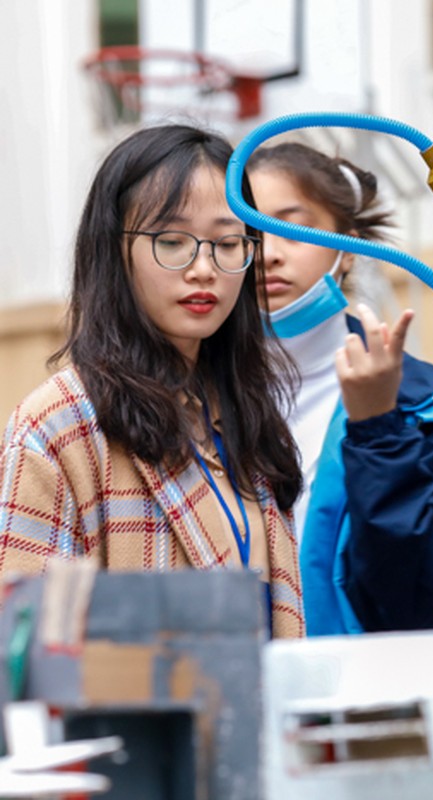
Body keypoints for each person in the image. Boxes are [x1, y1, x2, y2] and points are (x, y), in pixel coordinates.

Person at [0, 125, 304, 637]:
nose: (204, 268)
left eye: (229, 243)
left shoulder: (248, 417)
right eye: (171, 241)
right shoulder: (59, 425)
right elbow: (18, 646)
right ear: (114, 251)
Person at [247, 142, 433, 634]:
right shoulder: (187, 395)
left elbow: (427, 597)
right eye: (247, 233)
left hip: (369, 695)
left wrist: (378, 427)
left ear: (347, 248)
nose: (269, 254)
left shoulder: (422, 398)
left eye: (293, 227)